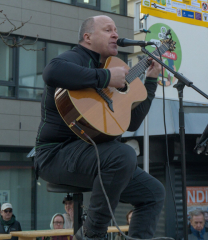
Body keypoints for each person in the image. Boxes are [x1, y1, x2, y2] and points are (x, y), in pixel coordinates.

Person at [34, 15, 165, 240]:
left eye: (115, 30)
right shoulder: (76, 58)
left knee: (153, 193)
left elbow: (132, 122)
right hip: (55, 154)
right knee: (123, 154)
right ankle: (92, 234)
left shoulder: (113, 68)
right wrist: (105, 77)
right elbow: (51, 72)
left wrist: (151, 81)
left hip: (95, 155)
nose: (115, 34)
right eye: (107, 30)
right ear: (87, 37)